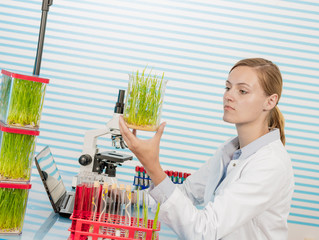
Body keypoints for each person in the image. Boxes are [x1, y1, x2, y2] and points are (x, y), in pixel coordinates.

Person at [119, 58, 295, 239]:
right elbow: (186, 193)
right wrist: (125, 197)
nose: (229, 95)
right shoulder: (230, 151)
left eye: (242, 91)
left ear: (270, 101)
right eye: (228, 87)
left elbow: (205, 231)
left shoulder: (270, 164)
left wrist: (152, 167)